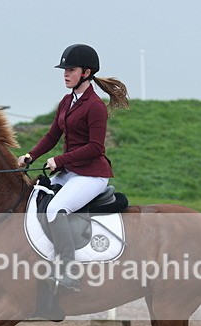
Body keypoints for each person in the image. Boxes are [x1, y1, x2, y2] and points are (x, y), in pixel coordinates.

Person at [18, 43, 129, 293]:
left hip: (91, 174)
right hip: (70, 172)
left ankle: (68, 271)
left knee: (56, 209)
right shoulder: (67, 101)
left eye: (71, 69)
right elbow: (51, 136)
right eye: (64, 69)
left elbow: (95, 148)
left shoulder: (95, 106)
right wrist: (30, 155)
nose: (65, 74)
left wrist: (59, 161)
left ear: (86, 73)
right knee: (33, 197)